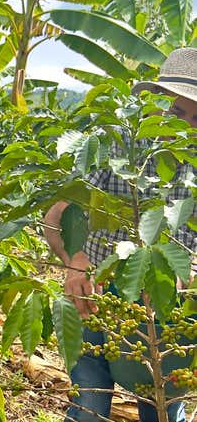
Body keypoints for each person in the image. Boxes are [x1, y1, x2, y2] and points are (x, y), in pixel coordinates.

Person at [44, 47, 197, 422]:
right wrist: (75, 261)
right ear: (155, 104)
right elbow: (57, 215)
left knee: (162, 407)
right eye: (178, 113)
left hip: (168, 315)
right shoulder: (117, 147)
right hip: (95, 300)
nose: (187, 127)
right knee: (89, 406)